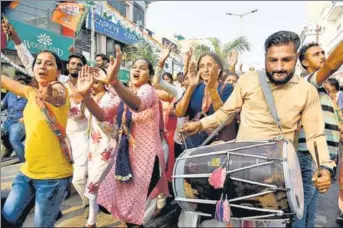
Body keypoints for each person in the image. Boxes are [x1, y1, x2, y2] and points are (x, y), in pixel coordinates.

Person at [181, 31, 335, 227]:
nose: (279, 67)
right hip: (240, 167)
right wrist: (200, 124)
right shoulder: (248, 80)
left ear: (296, 58)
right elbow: (226, 113)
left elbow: (315, 135)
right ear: (265, 58)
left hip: (278, 175)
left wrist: (325, 166)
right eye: (273, 60)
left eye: (286, 60)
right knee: (236, 221)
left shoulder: (306, 91)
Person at [2, 19, 91, 215]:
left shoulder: (63, 85)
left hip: (71, 143)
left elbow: (57, 95)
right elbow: (28, 62)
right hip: (31, 168)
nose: (75, 66)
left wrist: (53, 96)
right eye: (72, 63)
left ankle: (86, 203)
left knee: (77, 179)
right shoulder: (35, 90)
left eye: (79, 64)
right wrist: (15, 38)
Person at [77, 53, 169, 226]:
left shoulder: (148, 91)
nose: (137, 70)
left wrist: (112, 82)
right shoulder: (124, 95)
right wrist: (86, 96)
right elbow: (102, 114)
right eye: (135, 67)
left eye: (143, 68)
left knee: (138, 206)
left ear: (149, 76)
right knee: (126, 205)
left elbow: (138, 105)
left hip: (147, 160)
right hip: (127, 158)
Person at [1, 50, 72, 227]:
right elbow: (3, 79)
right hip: (27, 172)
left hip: (52, 178)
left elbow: (57, 96)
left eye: (49, 63)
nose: (42, 66)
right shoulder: (31, 93)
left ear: (58, 72)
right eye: (39, 62)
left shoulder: (61, 90)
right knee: (7, 218)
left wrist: (49, 95)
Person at [298, 41, 343, 227]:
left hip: (322, 154)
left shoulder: (322, 88)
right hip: (312, 153)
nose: (323, 56)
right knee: (303, 204)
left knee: (311, 205)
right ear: (305, 63)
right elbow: (333, 64)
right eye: (316, 54)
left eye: (323, 52)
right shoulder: (308, 81)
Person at [175, 52, 236, 149]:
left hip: (216, 146)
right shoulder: (195, 87)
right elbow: (179, 113)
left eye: (210, 65)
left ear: (218, 68)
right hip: (192, 146)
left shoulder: (227, 88)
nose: (206, 70)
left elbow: (222, 116)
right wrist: (190, 87)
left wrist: (212, 89)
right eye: (202, 66)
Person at [82, 68, 119, 227]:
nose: (92, 85)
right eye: (91, 81)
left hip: (108, 145)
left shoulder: (112, 97)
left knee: (94, 182)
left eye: (96, 82)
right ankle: (93, 217)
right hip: (93, 145)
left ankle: (91, 221)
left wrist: (108, 81)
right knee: (91, 180)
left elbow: (120, 97)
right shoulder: (87, 98)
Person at [1, 73, 28, 162]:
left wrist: (24, 118)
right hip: (8, 122)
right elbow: (2, 105)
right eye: (17, 83)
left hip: (19, 122)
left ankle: (24, 161)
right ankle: (9, 149)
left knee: (14, 139)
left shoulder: (28, 96)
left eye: (22, 83)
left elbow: (33, 110)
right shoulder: (10, 95)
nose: (19, 86)